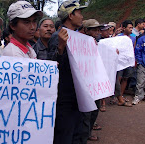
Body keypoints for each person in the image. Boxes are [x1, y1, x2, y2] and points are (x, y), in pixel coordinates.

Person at [47, 0, 89, 143]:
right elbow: (52, 66)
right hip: (65, 98)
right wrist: (61, 47)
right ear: (71, 15)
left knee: (78, 133)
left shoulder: (80, 38)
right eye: (79, 13)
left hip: (78, 95)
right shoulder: (57, 37)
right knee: (65, 135)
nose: (82, 17)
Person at [115, 20, 135, 107]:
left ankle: (121, 96)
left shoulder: (134, 37)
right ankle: (115, 96)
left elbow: (133, 48)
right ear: (124, 28)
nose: (131, 29)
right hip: (119, 61)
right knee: (118, 78)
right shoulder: (118, 37)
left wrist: (133, 60)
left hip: (128, 61)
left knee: (125, 78)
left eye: (132, 28)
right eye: (129, 27)